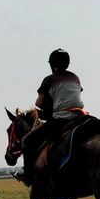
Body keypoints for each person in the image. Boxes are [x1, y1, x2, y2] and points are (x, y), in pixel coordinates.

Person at [19, 49, 86, 185]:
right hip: (80, 116)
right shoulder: (75, 77)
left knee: (27, 140)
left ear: (52, 65)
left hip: (61, 118)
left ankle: (28, 176)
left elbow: (39, 102)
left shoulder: (49, 79)